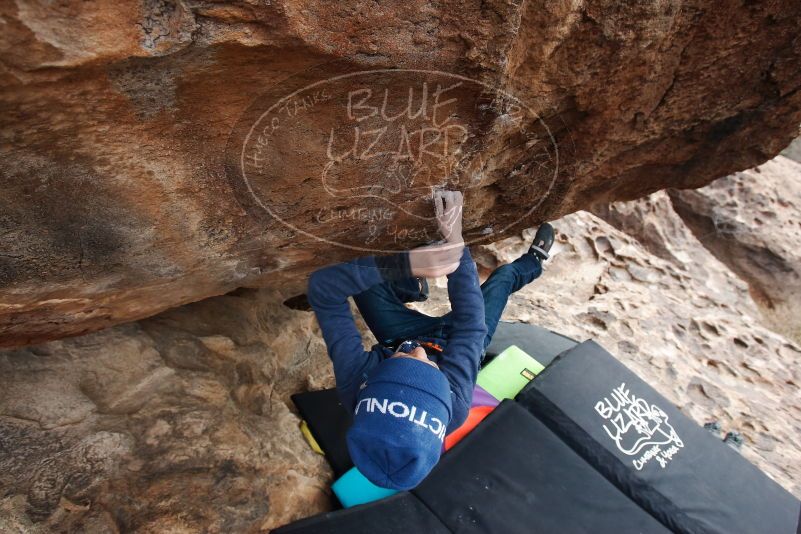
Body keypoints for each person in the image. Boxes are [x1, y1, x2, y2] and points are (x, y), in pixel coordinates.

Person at [307, 190, 554, 490]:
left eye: (404, 360)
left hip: (400, 335)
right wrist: (454, 245)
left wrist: (407, 264)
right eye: (429, 369)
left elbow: (324, 289)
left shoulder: (354, 383)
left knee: (361, 270)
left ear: (370, 382)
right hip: (457, 342)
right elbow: (471, 326)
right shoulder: (456, 404)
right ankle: (535, 261)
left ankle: (412, 284)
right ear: (444, 394)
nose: (419, 352)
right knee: (501, 280)